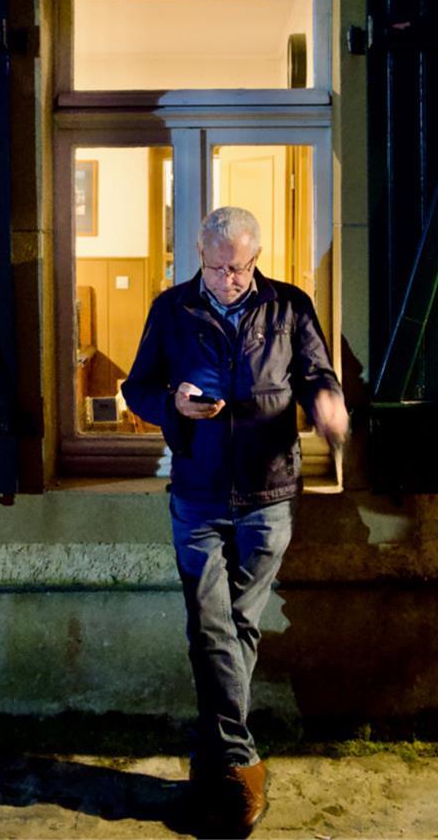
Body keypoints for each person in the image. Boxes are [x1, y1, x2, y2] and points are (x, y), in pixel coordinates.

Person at [122, 206, 349, 837]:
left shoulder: (289, 306)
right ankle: (237, 762)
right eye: (220, 267)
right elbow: (137, 388)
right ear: (199, 256)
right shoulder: (171, 309)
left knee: (235, 625)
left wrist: (327, 405)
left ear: (257, 258)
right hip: (197, 493)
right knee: (212, 624)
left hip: (269, 493)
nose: (231, 279)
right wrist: (172, 403)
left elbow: (317, 375)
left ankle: (212, 760)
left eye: (242, 267)